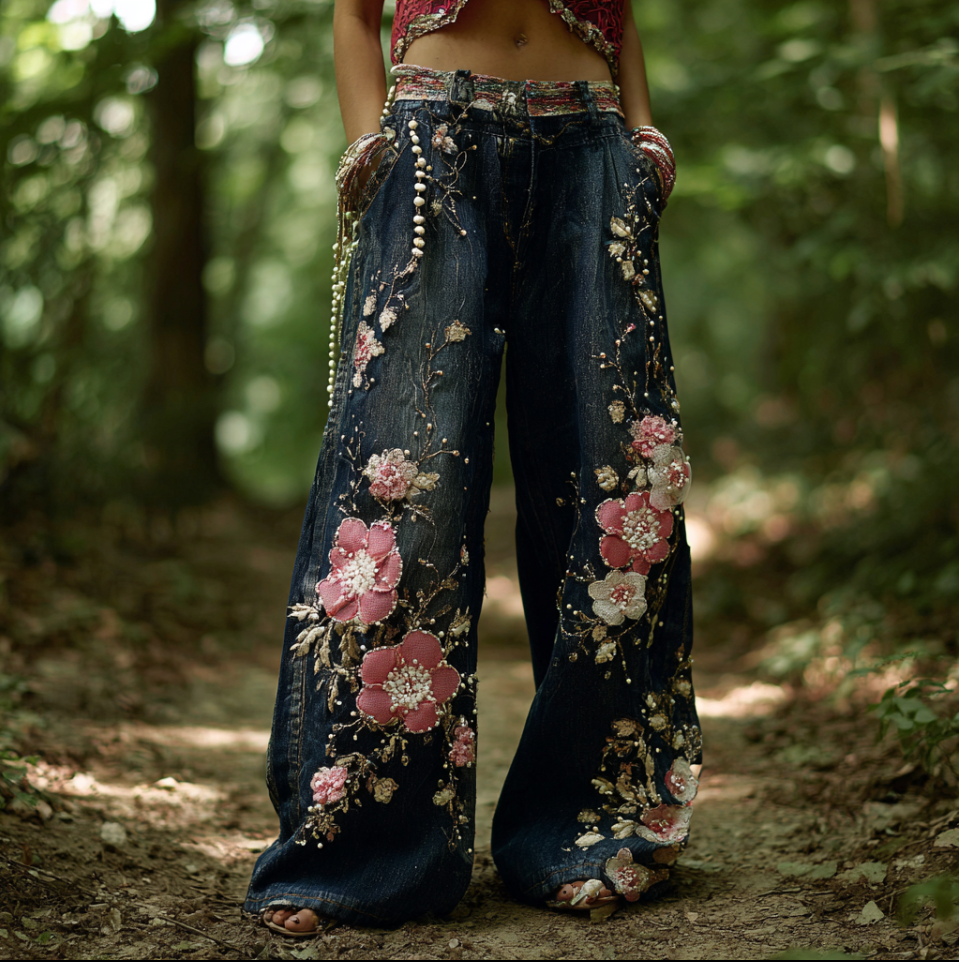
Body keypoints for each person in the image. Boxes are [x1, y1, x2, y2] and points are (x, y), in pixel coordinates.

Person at [245, 0, 701, 933]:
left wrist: (644, 135)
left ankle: (591, 829)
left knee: (616, 493)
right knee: (400, 495)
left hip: (595, 148)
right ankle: (364, 851)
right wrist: (365, 143)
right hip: (429, 145)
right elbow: (352, 11)